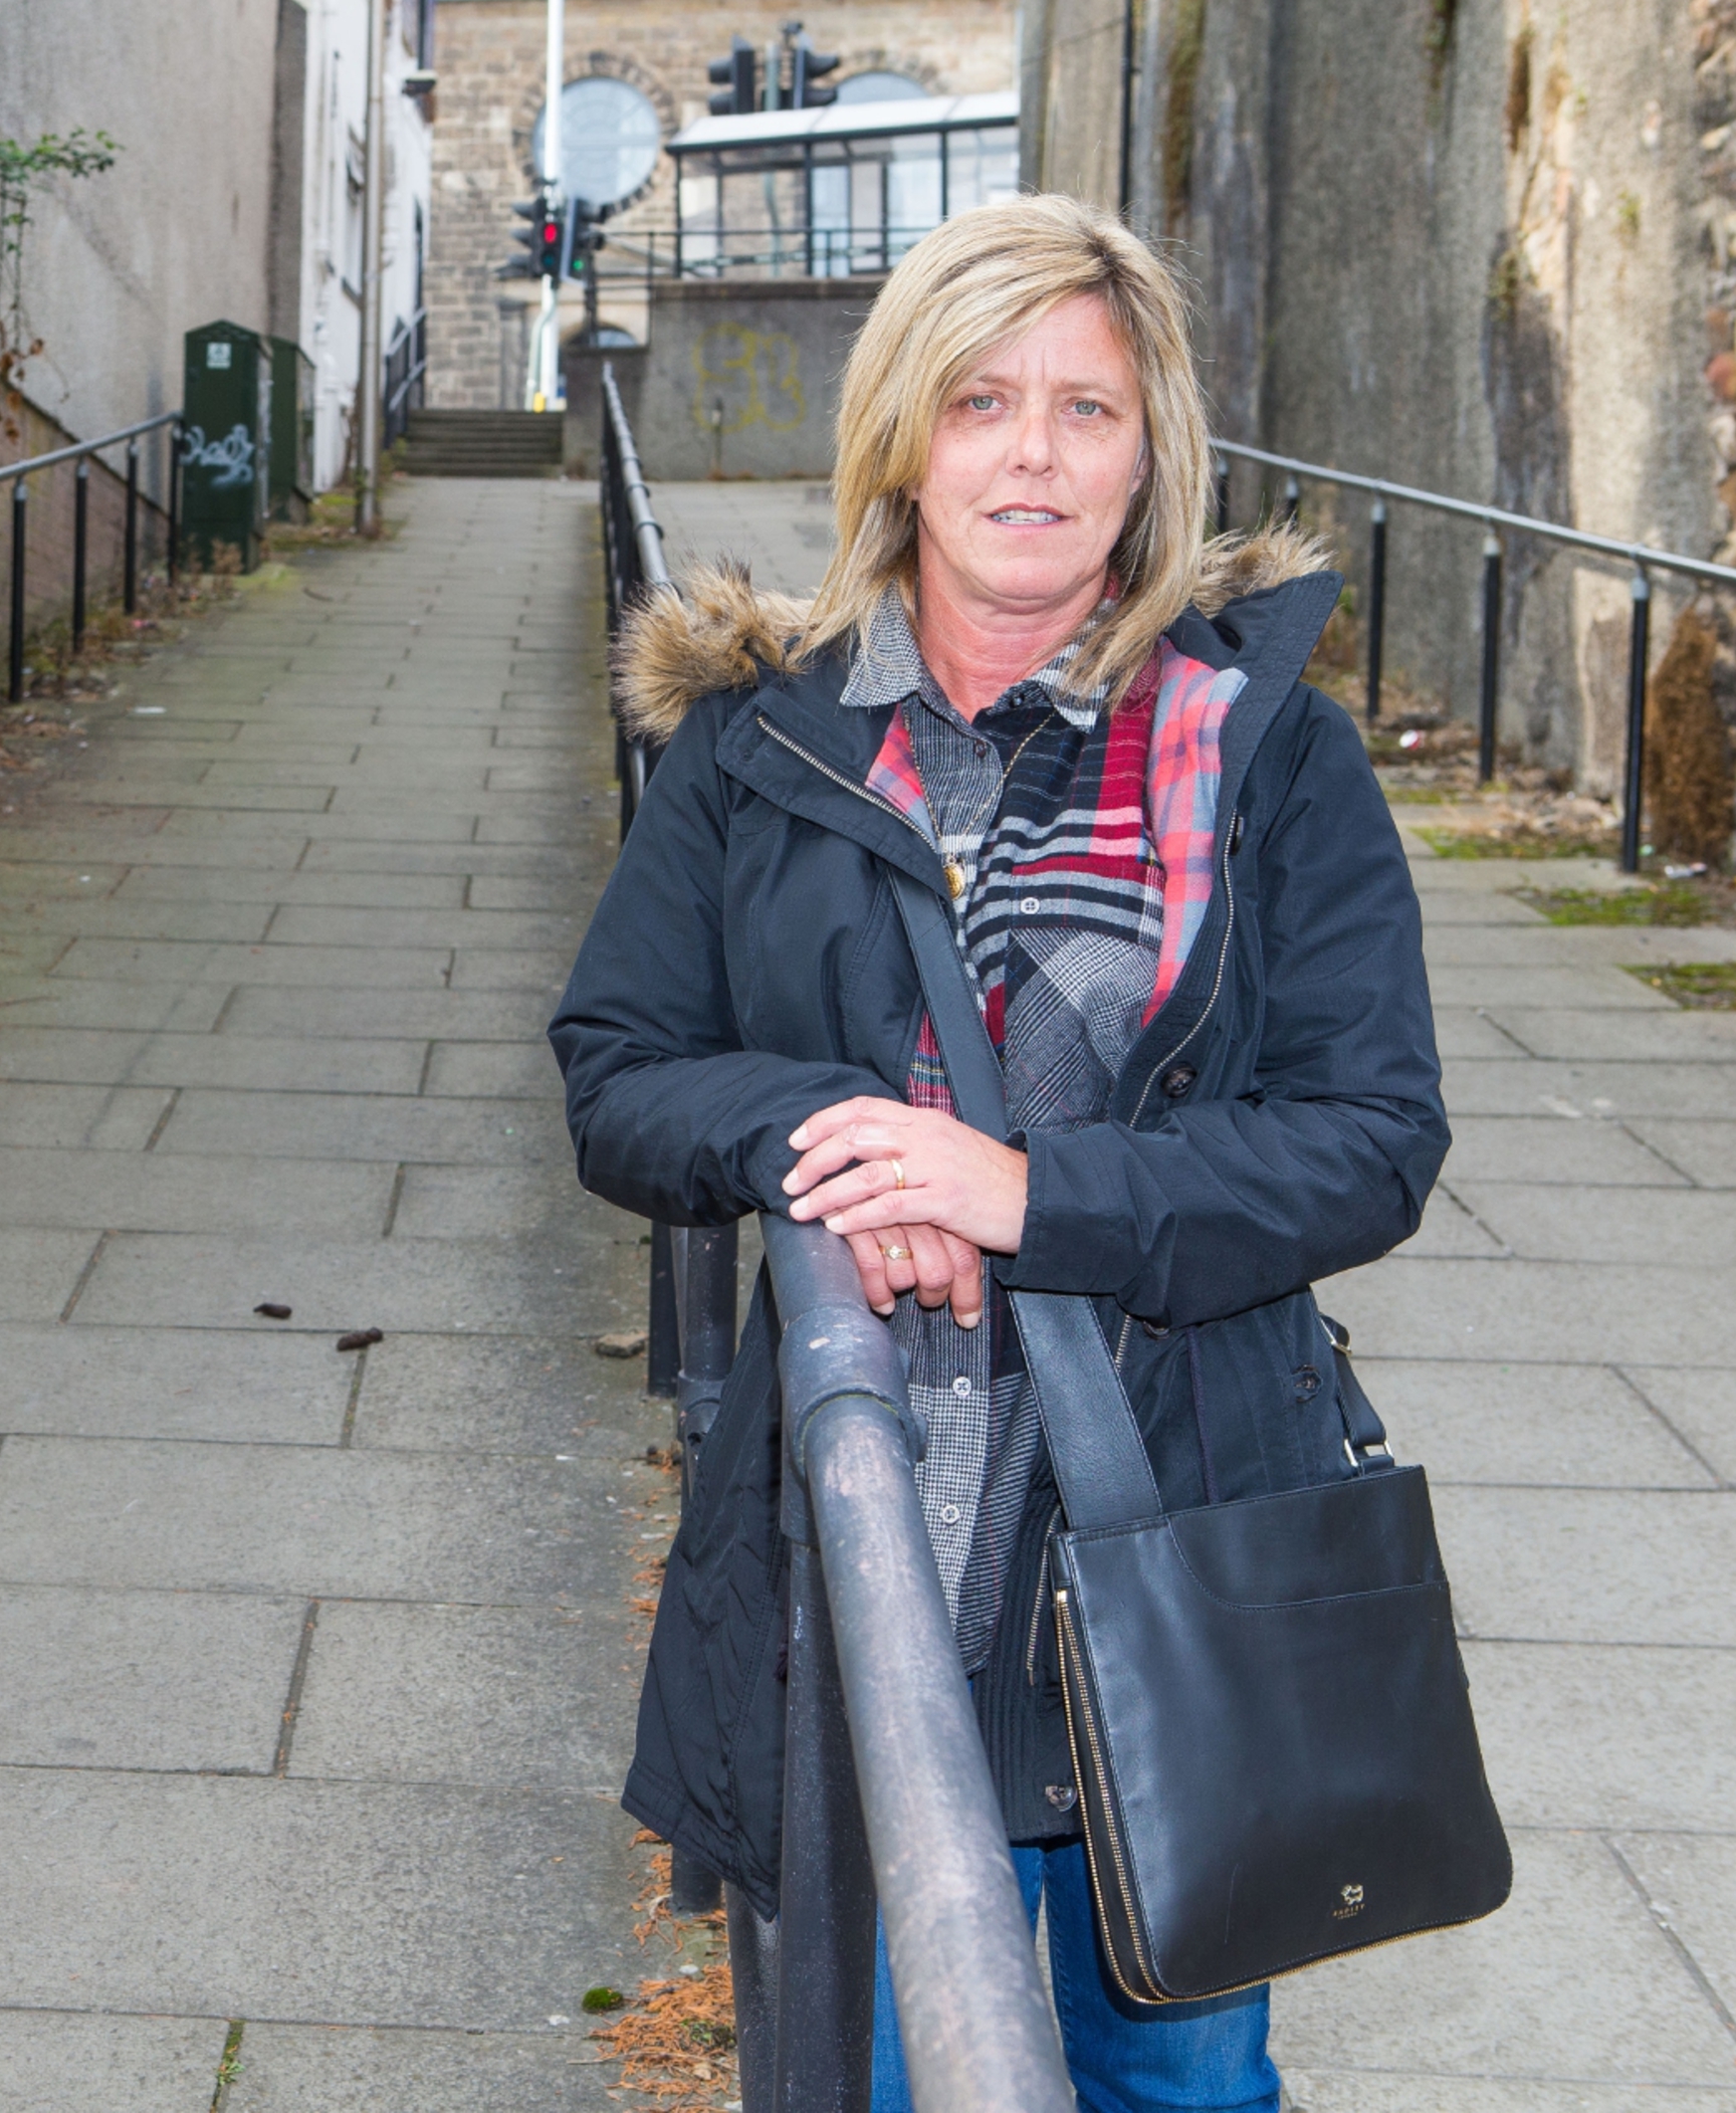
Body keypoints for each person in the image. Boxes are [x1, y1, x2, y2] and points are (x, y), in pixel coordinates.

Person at [548, 193, 1447, 2112]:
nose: (1032, 453)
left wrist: (1029, 1196)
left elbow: (1373, 1141)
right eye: (980, 399)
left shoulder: (1269, 754)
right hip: (866, 1552)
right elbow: (618, 1072)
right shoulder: (759, 747)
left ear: (1153, 453)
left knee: (1180, 2089)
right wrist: (846, 1146)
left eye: (1086, 409)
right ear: (902, 435)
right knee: (877, 2076)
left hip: (1179, 1528)